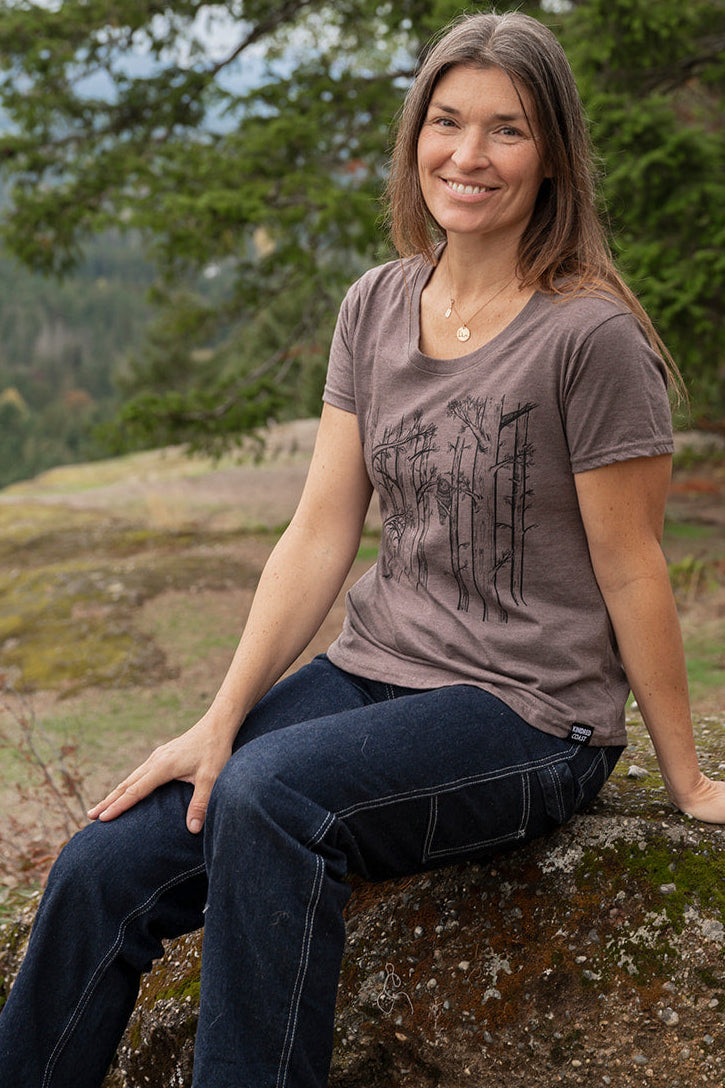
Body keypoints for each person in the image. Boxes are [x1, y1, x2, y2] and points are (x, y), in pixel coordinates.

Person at [1, 10, 724, 1088]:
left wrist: (688, 778)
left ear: (553, 155)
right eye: (445, 122)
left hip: (527, 711)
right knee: (104, 860)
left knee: (274, 794)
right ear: (413, 135)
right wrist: (219, 718)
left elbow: (630, 564)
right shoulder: (376, 305)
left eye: (505, 130)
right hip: (367, 675)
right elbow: (320, 529)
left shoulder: (590, 337)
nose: (467, 156)